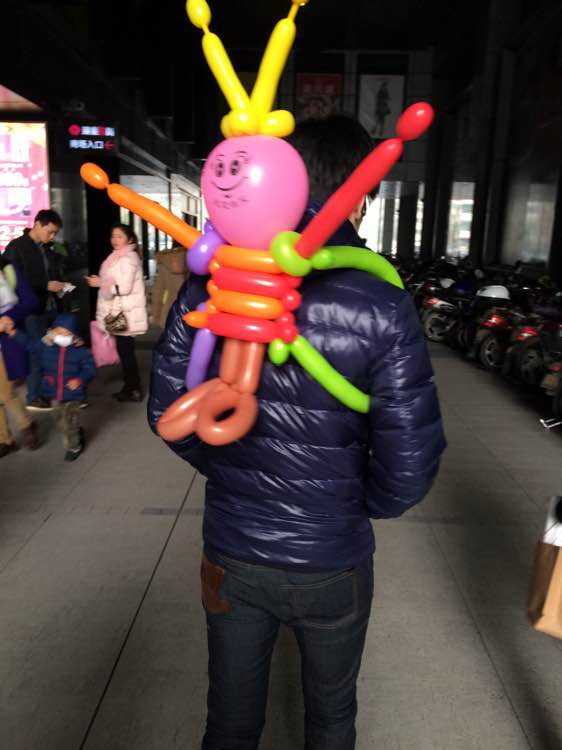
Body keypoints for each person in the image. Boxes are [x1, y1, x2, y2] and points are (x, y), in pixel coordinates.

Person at [148, 115, 446, 750]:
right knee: (331, 719)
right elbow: (410, 461)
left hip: (234, 547)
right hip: (333, 559)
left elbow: (168, 413)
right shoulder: (381, 302)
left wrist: (232, 469)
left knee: (230, 724)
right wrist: (351, 504)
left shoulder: (215, 283)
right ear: (360, 197)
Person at [3, 209, 65, 410]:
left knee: (50, 349)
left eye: (55, 233)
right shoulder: (17, 247)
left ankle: (47, 390)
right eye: (50, 231)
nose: (52, 236)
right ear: (37, 224)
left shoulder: (46, 247)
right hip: (31, 309)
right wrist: (45, 285)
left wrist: (58, 284)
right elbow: (12, 280)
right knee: (35, 352)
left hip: (50, 305)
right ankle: (34, 396)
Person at [11, 313, 96, 461]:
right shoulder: (46, 347)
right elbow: (29, 343)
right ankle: (75, 429)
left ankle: (74, 447)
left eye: (66, 333)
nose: (61, 336)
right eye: (58, 331)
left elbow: (90, 369)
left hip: (73, 394)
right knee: (59, 419)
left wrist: (79, 380)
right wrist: (15, 333)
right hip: (54, 392)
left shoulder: (81, 351)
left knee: (68, 422)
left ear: (74, 335)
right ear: (52, 331)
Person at [85, 224, 148, 402]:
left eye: (119, 236)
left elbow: (124, 288)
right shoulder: (118, 257)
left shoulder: (127, 258)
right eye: (113, 236)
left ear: (129, 239)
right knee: (125, 351)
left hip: (125, 312)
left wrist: (100, 283)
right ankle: (130, 387)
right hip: (123, 311)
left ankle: (133, 388)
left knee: (126, 352)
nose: (115, 240)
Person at [0, 256, 41, 456]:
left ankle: (26, 425)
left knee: (5, 391)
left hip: (6, 339)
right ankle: (5, 439)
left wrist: (9, 317)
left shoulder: (8, 269)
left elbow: (31, 301)